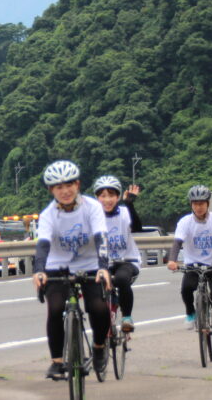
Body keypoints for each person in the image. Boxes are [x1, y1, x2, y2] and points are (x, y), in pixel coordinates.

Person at [32, 160, 112, 380]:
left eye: (69, 185)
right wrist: (39, 270)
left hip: (90, 265)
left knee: (98, 307)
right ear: (51, 190)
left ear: (78, 185)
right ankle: (57, 362)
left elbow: (100, 237)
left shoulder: (92, 207)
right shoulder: (48, 214)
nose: (65, 191)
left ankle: (98, 346)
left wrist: (103, 267)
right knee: (55, 308)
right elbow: (43, 244)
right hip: (58, 266)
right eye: (58, 187)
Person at [166, 184, 212, 344]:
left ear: (208, 204)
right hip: (194, 264)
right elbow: (177, 242)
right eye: (195, 204)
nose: (198, 207)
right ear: (191, 204)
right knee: (186, 289)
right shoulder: (185, 222)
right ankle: (191, 313)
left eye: (202, 203)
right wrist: (172, 260)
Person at [91, 175, 143, 332]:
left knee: (121, 279)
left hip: (127, 261)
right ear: (97, 197)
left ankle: (127, 317)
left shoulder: (125, 212)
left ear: (118, 196)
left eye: (111, 195)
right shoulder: (91, 216)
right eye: (103, 195)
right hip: (102, 263)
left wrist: (130, 204)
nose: (107, 200)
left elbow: (137, 228)